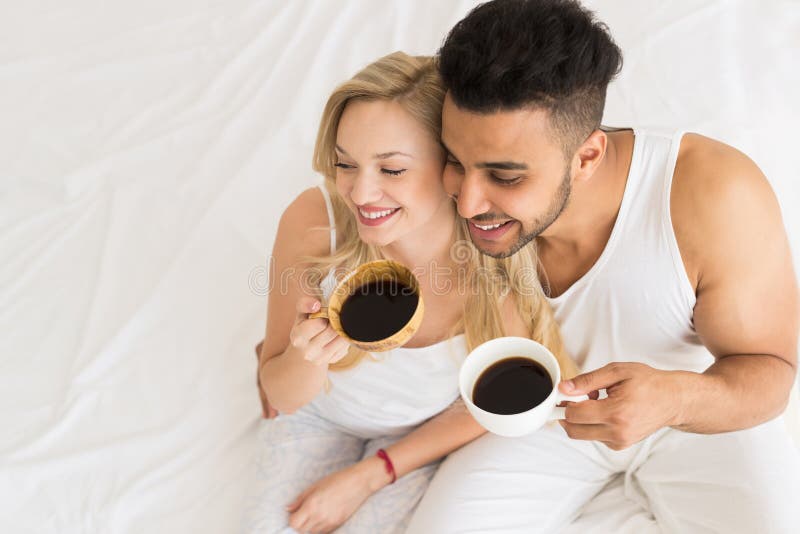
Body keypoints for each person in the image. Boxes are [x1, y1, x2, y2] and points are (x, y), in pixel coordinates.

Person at [406, 1, 800, 533]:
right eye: (455, 160)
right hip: (549, 419)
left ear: (587, 157)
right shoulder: (441, 180)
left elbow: (771, 371)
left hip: (695, 409)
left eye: (506, 177)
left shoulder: (714, 193)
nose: (468, 201)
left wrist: (677, 398)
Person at [241, 51, 578, 533]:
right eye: (345, 164)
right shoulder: (317, 224)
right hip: (321, 418)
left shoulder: (493, 256)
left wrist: (370, 475)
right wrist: (305, 356)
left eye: (391, 170)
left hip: (420, 440)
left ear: (452, 168)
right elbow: (283, 394)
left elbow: (485, 408)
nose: (359, 194)